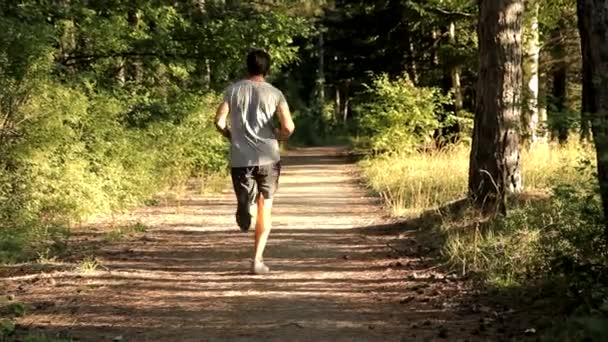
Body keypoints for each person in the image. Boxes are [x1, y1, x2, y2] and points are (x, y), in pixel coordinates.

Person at [215, 49, 295, 275]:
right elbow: (288, 127)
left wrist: (233, 136)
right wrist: (277, 137)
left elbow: (219, 121)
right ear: (267, 69)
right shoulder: (275, 93)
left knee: (248, 201)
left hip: (241, 158)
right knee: (265, 208)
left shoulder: (232, 91)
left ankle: (244, 204)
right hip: (268, 157)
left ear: (247, 67)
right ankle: (257, 261)